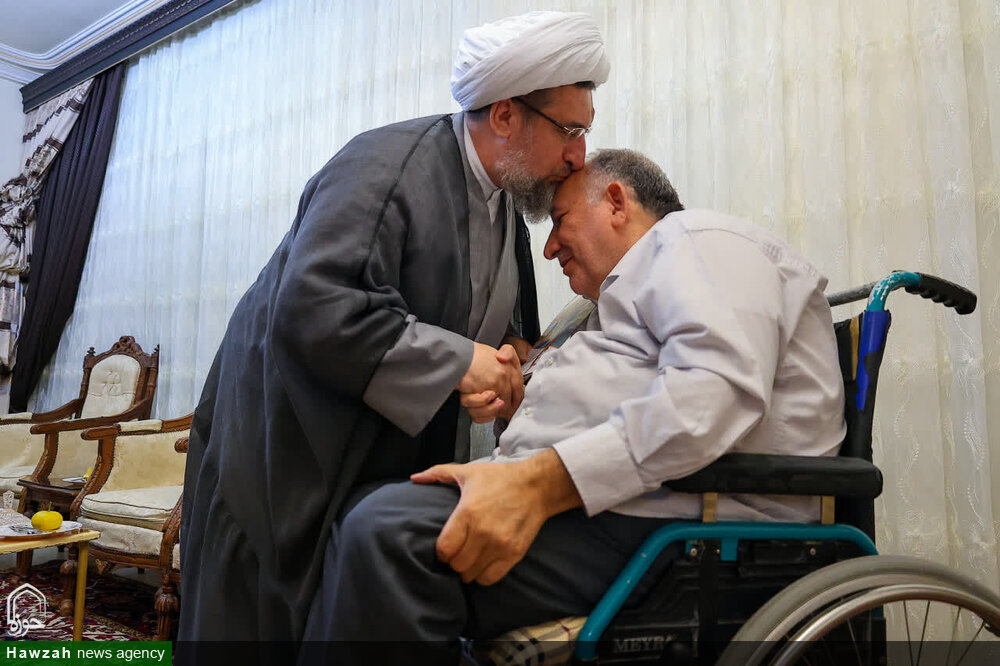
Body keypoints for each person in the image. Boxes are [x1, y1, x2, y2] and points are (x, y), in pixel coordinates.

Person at [300, 149, 846, 662]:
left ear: (616, 201)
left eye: (560, 220)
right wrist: (520, 400)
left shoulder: (697, 241)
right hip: (626, 508)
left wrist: (535, 485)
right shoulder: (614, 304)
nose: (549, 247)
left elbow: (709, 397)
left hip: (694, 532)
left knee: (390, 536)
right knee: (362, 512)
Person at [178, 11, 610, 643]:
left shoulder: (507, 206)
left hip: (375, 471)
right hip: (282, 458)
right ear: (504, 115)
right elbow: (315, 304)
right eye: (570, 131)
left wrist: (508, 360)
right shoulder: (386, 164)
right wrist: (459, 363)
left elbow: (493, 329)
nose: (579, 156)